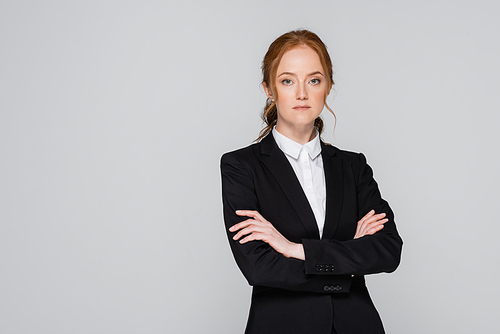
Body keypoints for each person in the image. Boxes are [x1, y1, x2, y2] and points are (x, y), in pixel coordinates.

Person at [220, 29, 403, 334]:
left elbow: (388, 251)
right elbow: (259, 267)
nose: (302, 93)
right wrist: (348, 259)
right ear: (269, 89)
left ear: (328, 86)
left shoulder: (353, 166)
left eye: (314, 80)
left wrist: (295, 249)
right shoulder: (242, 166)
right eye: (287, 80)